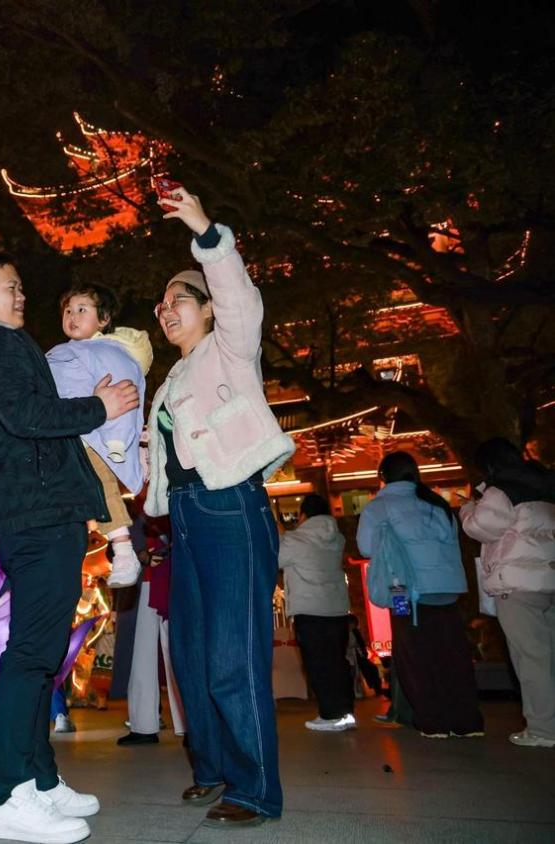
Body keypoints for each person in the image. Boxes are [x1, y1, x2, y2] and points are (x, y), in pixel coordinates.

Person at [0, 248, 139, 844]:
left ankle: (39, 778)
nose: (21, 294)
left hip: (37, 513)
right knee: (32, 653)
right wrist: (99, 408)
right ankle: (8, 795)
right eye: (11, 285)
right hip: (34, 515)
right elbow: (26, 414)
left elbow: (29, 414)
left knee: (41, 653)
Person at [144, 185, 294, 828]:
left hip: (231, 506)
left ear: (208, 309)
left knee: (234, 654)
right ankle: (212, 768)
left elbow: (239, 295)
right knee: (191, 655)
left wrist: (204, 230)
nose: (166, 311)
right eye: (162, 306)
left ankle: (256, 789)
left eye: (178, 300)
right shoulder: (169, 382)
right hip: (183, 518)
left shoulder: (232, 348)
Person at [357, 451, 484, 739]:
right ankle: (467, 721)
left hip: (402, 589)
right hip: (447, 588)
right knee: (453, 655)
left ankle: (432, 720)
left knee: (413, 654)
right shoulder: (436, 504)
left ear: (383, 477)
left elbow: (365, 548)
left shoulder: (379, 507)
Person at [47, 284, 152, 587]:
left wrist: (119, 439)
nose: (72, 315)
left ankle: (123, 550)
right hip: (63, 440)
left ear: (103, 319)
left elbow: (124, 396)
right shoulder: (61, 354)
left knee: (102, 484)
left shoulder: (110, 354)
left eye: (82, 309)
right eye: (68, 310)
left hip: (93, 438)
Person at [460, 437, 555, 748]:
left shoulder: (501, 490)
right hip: (549, 579)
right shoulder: (545, 484)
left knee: (531, 659)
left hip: (517, 586)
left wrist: (468, 508)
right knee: (548, 656)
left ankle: (543, 729)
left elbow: (480, 527)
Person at [278, 494, 355, 731]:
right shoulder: (337, 538)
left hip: (310, 610)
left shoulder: (295, 540)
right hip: (337, 609)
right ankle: (345, 712)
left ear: (303, 515)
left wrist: (282, 532)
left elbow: (276, 559)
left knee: (319, 664)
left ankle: (331, 715)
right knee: (337, 662)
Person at [120, 519, 186, 745]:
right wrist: (140, 554)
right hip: (145, 582)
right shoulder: (134, 511)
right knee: (142, 655)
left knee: (179, 652)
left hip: (175, 578)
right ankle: (143, 725)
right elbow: (114, 549)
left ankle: (192, 724)